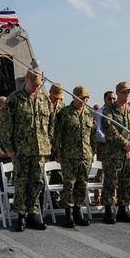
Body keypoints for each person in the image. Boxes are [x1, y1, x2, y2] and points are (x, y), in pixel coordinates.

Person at [3, 69, 53, 231]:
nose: (36, 88)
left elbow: (51, 124)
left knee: (37, 182)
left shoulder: (45, 100)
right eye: (34, 84)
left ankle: (33, 214)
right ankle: (21, 215)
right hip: (21, 150)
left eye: (39, 85)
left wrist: (49, 143)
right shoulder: (14, 99)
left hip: (40, 149)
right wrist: (10, 149)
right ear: (26, 80)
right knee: (21, 182)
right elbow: (6, 126)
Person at [52, 85, 96, 228]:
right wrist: (57, 153)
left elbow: (93, 135)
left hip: (85, 156)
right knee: (69, 185)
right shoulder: (64, 113)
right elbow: (57, 135)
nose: (84, 100)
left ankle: (78, 211)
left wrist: (92, 152)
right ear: (74, 97)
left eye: (86, 98)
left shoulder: (89, 114)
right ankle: (68, 214)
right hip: (69, 156)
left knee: (82, 185)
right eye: (81, 98)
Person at [101, 81, 130, 224]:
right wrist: (124, 142)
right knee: (111, 182)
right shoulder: (108, 111)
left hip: (128, 155)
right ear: (117, 93)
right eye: (124, 92)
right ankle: (108, 210)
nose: (127, 94)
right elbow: (109, 129)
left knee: (126, 182)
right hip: (113, 154)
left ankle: (123, 209)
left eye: (129, 92)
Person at [92, 90, 115, 206]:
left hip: (114, 145)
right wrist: (109, 139)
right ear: (104, 99)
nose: (112, 101)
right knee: (100, 171)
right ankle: (97, 196)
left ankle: (113, 196)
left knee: (113, 172)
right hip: (103, 144)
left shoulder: (116, 112)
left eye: (113, 99)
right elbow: (98, 130)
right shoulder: (99, 113)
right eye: (109, 99)